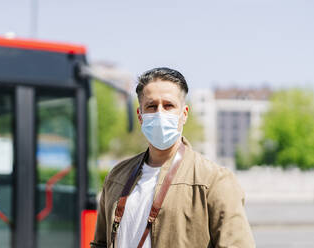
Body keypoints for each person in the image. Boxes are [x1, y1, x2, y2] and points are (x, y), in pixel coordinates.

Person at [90, 67, 255, 248]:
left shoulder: (214, 180)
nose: (160, 113)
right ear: (140, 116)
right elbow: (100, 243)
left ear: (183, 114)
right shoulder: (117, 177)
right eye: (151, 106)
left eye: (168, 105)